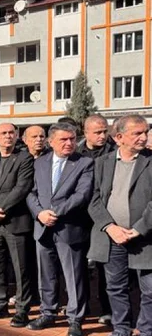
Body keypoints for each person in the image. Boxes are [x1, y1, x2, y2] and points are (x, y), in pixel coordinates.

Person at [88, 115, 152, 336]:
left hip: (144, 238)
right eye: (137, 133)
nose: (143, 137)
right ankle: (122, 330)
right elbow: (93, 200)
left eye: (145, 132)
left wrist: (138, 228)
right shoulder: (102, 163)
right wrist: (110, 227)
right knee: (115, 287)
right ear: (119, 137)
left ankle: (147, 334)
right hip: (112, 238)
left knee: (150, 289)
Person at [26, 122, 94, 336]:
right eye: (63, 139)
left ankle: (75, 319)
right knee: (46, 274)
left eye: (72, 139)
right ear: (51, 141)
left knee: (74, 276)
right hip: (43, 227)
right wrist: (39, 213)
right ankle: (48, 312)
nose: (69, 143)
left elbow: (82, 195)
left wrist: (53, 212)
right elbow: (31, 192)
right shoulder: (40, 163)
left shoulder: (84, 163)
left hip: (69, 228)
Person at [0, 123, 35, 326]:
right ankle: (0, 305)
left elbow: (22, 187)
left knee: (21, 269)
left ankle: (22, 309)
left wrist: (1, 208)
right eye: (3, 133)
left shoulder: (25, 157)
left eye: (11, 133)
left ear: (17, 135)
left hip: (15, 221)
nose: (8, 136)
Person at [78, 114, 116, 324]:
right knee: (79, 265)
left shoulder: (115, 151)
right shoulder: (76, 152)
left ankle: (107, 309)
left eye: (105, 131)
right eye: (97, 132)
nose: (103, 136)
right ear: (86, 133)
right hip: (80, 217)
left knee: (105, 267)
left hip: (105, 217)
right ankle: (80, 306)